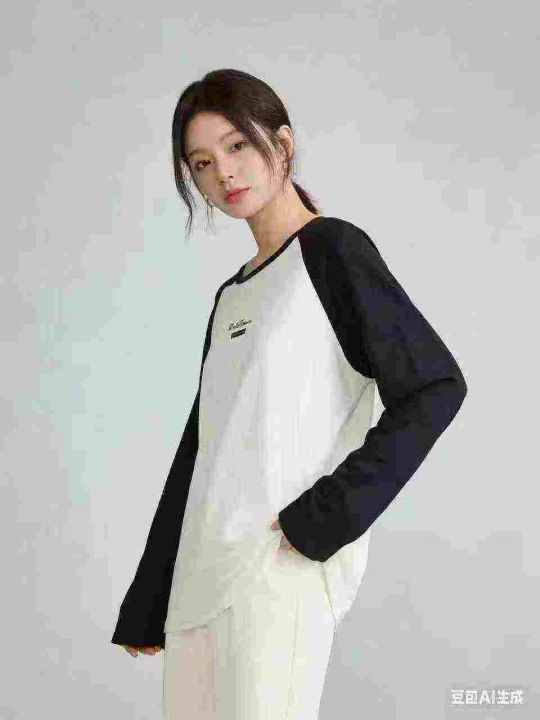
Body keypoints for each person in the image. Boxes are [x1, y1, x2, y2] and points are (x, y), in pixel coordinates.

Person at [111, 68, 468, 719]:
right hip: (198, 578)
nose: (223, 172)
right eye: (202, 162)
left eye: (236, 146)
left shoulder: (332, 252)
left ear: (282, 142)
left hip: (275, 568)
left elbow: (434, 386)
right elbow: (202, 449)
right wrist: (150, 596)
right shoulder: (232, 295)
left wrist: (328, 516)